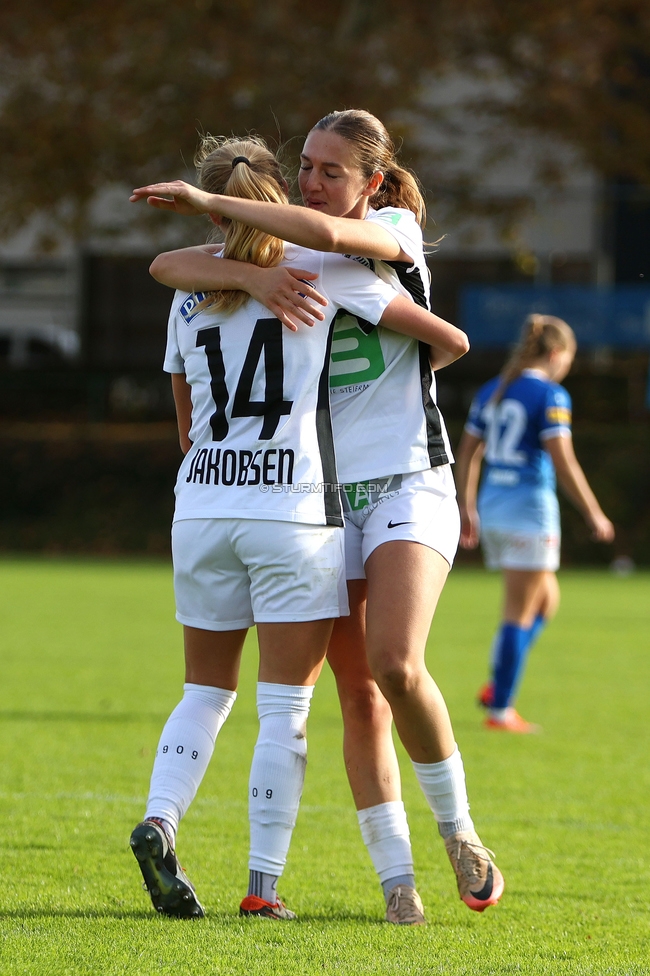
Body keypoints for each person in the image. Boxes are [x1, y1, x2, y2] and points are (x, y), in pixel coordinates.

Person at [131, 109, 504, 924]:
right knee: (357, 691)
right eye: (304, 166)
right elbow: (176, 264)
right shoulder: (294, 259)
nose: (312, 182)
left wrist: (210, 204)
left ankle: (460, 830)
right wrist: (256, 272)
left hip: (407, 480)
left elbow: (447, 338)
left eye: (332, 171)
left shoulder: (385, 232)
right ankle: (396, 881)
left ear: (373, 183)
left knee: (397, 665)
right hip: (322, 498)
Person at [454, 314, 615, 733]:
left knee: (546, 601)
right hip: (528, 509)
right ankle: (500, 708)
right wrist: (593, 511)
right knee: (520, 610)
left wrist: (467, 506)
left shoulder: (493, 389)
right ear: (557, 354)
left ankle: (498, 683)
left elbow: (468, 451)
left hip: (493, 505)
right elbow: (562, 460)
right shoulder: (552, 395)